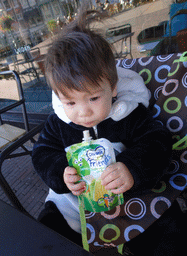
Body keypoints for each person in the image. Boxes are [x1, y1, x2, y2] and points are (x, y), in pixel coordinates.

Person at [31, 7, 180, 256]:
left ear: (112, 88)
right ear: (59, 97)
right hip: (73, 202)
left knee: (169, 233)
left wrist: (131, 168)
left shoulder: (128, 113)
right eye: (70, 102)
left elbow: (158, 141)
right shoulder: (59, 122)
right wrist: (60, 173)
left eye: (93, 98)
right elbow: (42, 152)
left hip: (131, 199)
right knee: (47, 237)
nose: (83, 113)